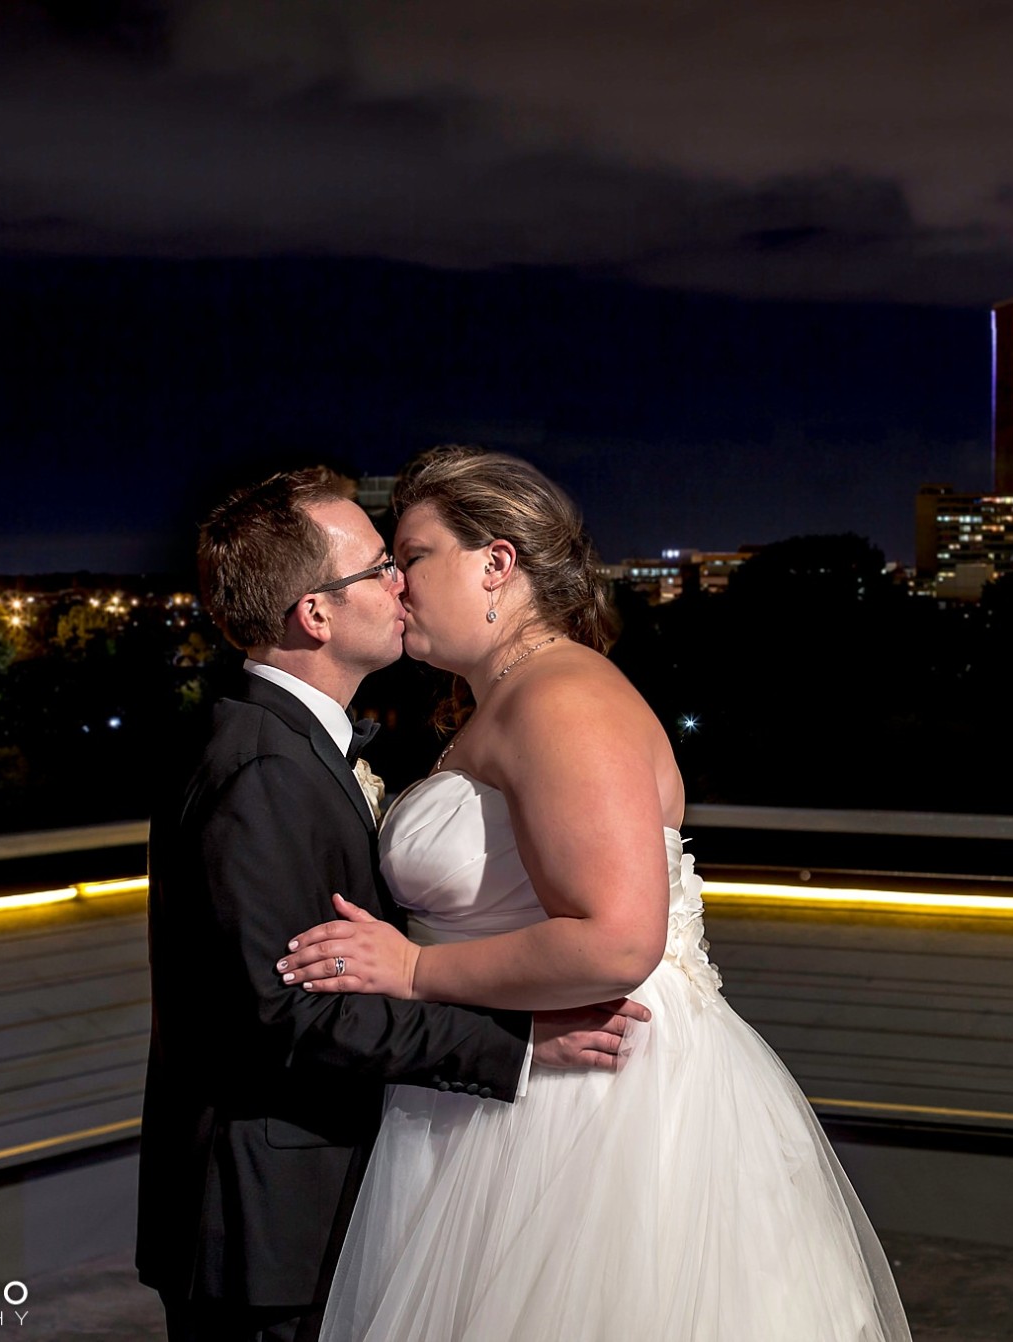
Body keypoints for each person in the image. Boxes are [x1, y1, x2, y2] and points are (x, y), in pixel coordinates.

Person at [275, 447, 913, 1341]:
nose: (395, 586)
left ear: (496, 563)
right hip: (506, 1082)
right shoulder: (501, 699)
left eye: (411, 558)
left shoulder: (564, 698)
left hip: (595, 1109)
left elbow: (617, 940)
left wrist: (416, 969)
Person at [139, 467, 646, 1342]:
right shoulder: (260, 771)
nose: (399, 583)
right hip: (265, 1227)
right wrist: (518, 1044)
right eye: (379, 566)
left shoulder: (290, 749)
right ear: (316, 614)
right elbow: (288, 1017)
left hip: (309, 1204)